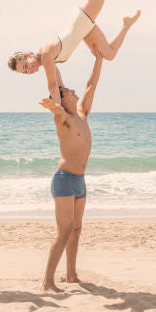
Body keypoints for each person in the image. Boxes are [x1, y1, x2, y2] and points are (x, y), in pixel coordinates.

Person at [8, 0, 139, 106]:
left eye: (26, 66)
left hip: (81, 20)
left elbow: (52, 86)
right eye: (26, 72)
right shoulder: (50, 64)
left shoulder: (47, 55)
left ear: (28, 55)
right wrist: (65, 112)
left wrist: (57, 112)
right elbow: (60, 87)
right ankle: (126, 25)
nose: (30, 70)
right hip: (85, 30)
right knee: (109, 55)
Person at [37, 52, 105, 292]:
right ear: (62, 100)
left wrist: (99, 58)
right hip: (64, 180)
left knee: (76, 229)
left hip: (80, 181)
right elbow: (55, 86)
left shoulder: (82, 114)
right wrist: (48, 65)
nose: (74, 91)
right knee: (65, 230)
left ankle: (71, 275)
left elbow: (91, 84)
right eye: (69, 92)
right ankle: (47, 281)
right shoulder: (62, 118)